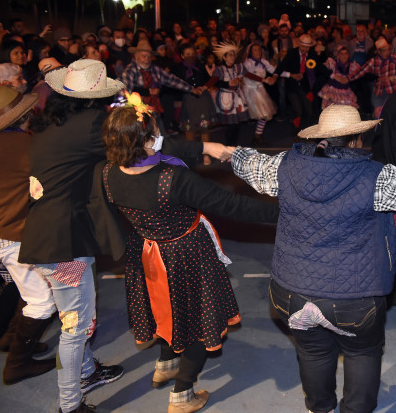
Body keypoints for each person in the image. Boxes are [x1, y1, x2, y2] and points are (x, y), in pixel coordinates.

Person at [231, 105, 396, 413]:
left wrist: (226, 152)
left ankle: (319, 408)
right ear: (355, 141)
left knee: (312, 353)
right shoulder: (377, 177)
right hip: (355, 299)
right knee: (362, 353)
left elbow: (246, 163)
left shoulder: (284, 167)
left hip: (291, 293)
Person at [100, 95, 278, 413]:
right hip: (185, 255)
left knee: (165, 311)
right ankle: (183, 392)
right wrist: (285, 212)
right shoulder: (172, 179)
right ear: (149, 141)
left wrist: (206, 149)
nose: (163, 137)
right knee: (197, 321)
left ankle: (166, 362)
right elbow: (233, 205)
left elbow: (168, 150)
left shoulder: (109, 172)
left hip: (146, 254)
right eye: (158, 133)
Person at [18, 59, 126, 413]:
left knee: (76, 313)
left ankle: (87, 371)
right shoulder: (92, 124)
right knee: (75, 325)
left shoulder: (53, 122)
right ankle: (70, 404)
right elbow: (133, 146)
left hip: (52, 236)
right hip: (62, 245)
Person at [0, 85, 58, 385]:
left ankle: (10, 340)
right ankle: (17, 364)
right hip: (17, 236)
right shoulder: (23, 146)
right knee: (45, 300)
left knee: (29, 287)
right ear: (25, 115)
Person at [242, 42, 277, 145]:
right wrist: (264, 80)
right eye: (255, 50)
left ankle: (258, 135)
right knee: (250, 115)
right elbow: (247, 74)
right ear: (251, 52)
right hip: (249, 90)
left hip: (260, 90)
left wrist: (274, 77)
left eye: (259, 49)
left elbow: (275, 70)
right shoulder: (247, 62)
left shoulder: (263, 61)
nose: (258, 52)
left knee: (264, 113)